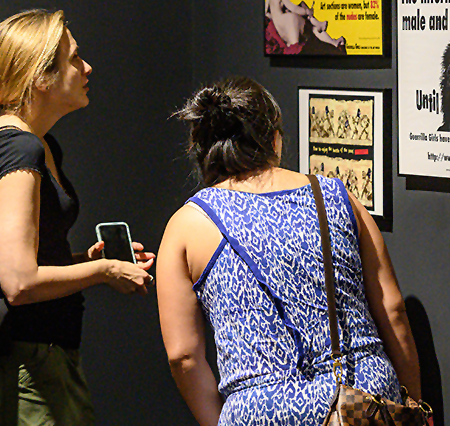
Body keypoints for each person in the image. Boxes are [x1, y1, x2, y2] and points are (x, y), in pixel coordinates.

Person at [157, 77, 420, 425]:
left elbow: (184, 356)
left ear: (203, 148)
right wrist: (413, 404)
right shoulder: (337, 196)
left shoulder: (187, 225)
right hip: (361, 400)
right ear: (274, 139)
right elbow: (393, 310)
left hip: (264, 411)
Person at [0, 9, 155, 426]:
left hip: (39, 357)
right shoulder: (19, 151)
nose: (87, 68)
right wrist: (103, 270)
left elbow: (21, 259)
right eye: (75, 59)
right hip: (25, 365)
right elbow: (20, 283)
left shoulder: (37, 145)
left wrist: (83, 260)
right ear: (41, 77)